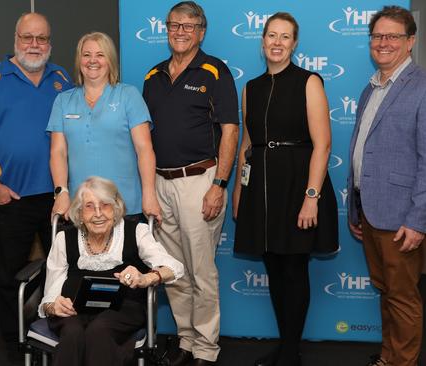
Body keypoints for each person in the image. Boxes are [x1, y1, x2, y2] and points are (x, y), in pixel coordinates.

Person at [0, 12, 73, 359]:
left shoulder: (62, 78)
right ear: (16, 40)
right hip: (13, 197)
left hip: (59, 198)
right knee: (10, 277)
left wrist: (69, 189)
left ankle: (62, 335)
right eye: (27, 37)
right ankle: (14, 342)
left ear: (50, 43)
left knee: (65, 272)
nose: (34, 45)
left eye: (41, 38)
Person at [347, 6, 426, 366]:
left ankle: (402, 362)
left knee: (403, 296)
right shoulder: (370, 88)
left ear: (410, 42)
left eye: (393, 36)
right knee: (387, 291)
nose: (383, 43)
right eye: (377, 36)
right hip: (371, 210)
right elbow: (364, 150)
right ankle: (389, 358)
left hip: (403, 216)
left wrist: (418, 219)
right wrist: (355, 207)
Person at [232, 12, 339, 366]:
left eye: (285, 37)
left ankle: (291, 351)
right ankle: (286, 343)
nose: (277, 43)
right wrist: (238, 192)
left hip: (298, 186)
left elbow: (322, 144)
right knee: (274, 268)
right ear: (262, 41)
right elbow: (247, 143)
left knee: (294, 269)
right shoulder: (251, 87)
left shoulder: (308, 82)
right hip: (260, 188)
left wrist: (312, 197)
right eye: (271, 36)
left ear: (294, 43)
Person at [142, 2, 239, 365]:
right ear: (166, 29)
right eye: (174, 25)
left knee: (201, 272)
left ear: (202, 31)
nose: (180, 31)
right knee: (174, 272)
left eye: (188, 25)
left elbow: (230, 130)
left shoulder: (215, 71)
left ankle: (207, 349)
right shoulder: (153, 76)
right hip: (161, 185)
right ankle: (186, 343)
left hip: (200, 182)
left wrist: (220, 183)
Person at [39, 176, 183, 366]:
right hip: (73, 308)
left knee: (99, 331)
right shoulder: (64, 239)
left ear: (115, 209)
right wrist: (53, 306)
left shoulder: (136, 231)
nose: (98, 214)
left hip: (123, 308)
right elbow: (51, 289)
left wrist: (145, 278)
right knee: (72, 334)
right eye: (89, 206)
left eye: (105, 205)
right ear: (80, 213)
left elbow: (174, 267)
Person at [47, 31, 160, 223]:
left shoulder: (128, 96)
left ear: (110, 60)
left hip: (125, 205)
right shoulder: (63, 101)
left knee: (126, 254)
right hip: (81, 205)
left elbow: (144, 149)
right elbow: (58, 152)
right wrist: (61, 192)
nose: (93, 61)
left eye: (100, 55)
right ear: (79, 60)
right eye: (86, 55)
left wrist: (149, 194)